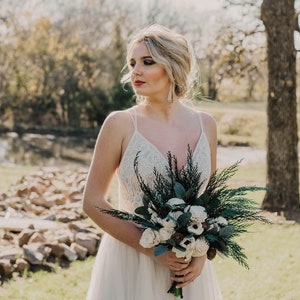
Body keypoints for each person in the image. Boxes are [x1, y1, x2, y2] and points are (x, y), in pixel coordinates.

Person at [83, 24, 222, 300]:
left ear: (172, 66)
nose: (135, 70)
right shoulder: (120, 124)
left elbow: (211, 201)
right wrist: (149, 248)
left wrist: (203, 252)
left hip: (188, 267)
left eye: (147, 62)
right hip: (131, 262)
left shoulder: (206, 125)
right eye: (132, 63)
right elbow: (93, 201)